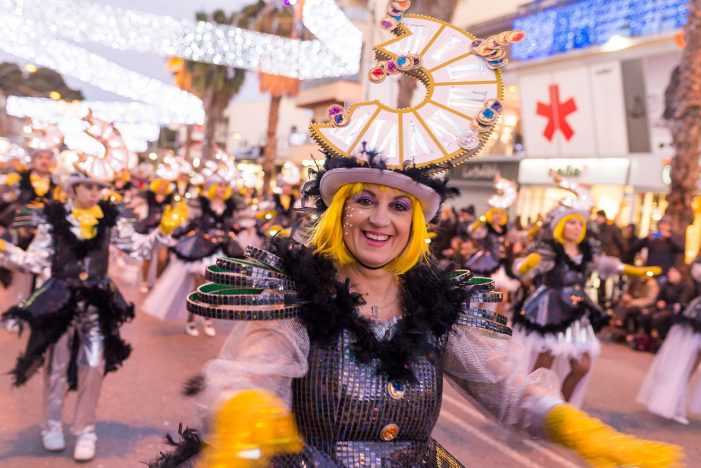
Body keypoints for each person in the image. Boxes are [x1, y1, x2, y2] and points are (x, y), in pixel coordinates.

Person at [150, 15, 680, 462]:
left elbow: (511, 391)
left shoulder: (440, 305)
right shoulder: (295, 294)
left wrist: (583, 432)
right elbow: (250, 372)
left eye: (400, 205)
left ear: (417, 223)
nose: (381, 220)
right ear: (338, 212)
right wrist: (247, 409)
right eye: (364, 200)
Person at [0, 171, 185, 461]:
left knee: (94, 364)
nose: (94, 192)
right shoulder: (53, 220)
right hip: (59, 300)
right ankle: (51, 425)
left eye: (98, 187)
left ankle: (85, 430)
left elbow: (138, 248)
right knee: (56, 366)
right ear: (73, 190)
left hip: (96, 302)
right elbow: (34, 260)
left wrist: (164, 231)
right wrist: (5, 250)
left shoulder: (110, 219)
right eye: (88, 187)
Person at [512, 178, 660, 406]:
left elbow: (606, 264)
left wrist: (634, 270)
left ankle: (560, 410)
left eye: (580, 224)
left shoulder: (586, 252)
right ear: (561, 226)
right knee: (543, 363)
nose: (577, 228)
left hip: (575, 308)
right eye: (572, 223)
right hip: (549, 307)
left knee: (582, 365)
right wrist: (527, 265)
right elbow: (524, 269)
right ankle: (529, 407)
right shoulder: (549, 250)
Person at [142, 176, 241, 337]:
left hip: (222, 251)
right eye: (219, 185)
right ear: (211, 187)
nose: (223, 189)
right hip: (201, 250)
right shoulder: (200, 203)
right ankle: (191, 319)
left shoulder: (230, 205)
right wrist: (175, 235)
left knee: (221, 287)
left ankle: (208, 317)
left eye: (225, 185)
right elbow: (187, 222)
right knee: (200, 286)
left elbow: (238, 224)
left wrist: (233, 233)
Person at [637, 255, 701, 425]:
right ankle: (674, 404)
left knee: (690, 365)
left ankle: (676, 403)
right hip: (693, 323)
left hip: (693, 322)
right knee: (685, 365)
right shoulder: (694, 272)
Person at [0, 148, 59, 320]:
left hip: (41, 240)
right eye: (40, 157)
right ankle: (12, 314)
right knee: (14, 276)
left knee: (35, 278)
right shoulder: (17, 180)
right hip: (17, 236)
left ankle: (27, 313)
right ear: (33, 160)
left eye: (48, 157)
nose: (44, 161)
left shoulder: (55, 187)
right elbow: (4, 204)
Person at [464, 175, 521, 296]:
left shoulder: (507, 228)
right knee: (479, 293)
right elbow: (473, 232)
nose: (498, 216)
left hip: (502, 262)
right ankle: (474, 313)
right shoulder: (486, 227)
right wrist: (480, 221)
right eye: (496, 214)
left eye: (501, 214)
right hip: (487, 261)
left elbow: (517, 237)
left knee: (497, 295)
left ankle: (491, 315)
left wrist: (534, 230)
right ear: (491, 214)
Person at [133, 177, 175, 292]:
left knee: (162, 258)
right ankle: (144, 281)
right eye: (160, 184)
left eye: (165, 184)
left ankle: (157, 279)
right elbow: (135, 205)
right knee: (147, 257)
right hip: (148, 230)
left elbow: (173, 213)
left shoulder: (170, 198)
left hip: (163, 231)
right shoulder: (148, 195)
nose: (163, 186)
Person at [629, 215, 685, 283]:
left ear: (670, 227)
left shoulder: (673, 238)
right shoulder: (653, 239)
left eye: (666, 225)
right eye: (662, 224)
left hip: (665, 273)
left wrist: (670, 238)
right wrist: (646, 239)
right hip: (651, 271)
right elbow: (634, 248)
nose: (663, 227)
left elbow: (681, 249)